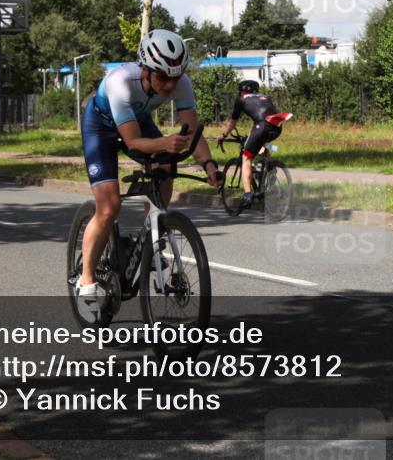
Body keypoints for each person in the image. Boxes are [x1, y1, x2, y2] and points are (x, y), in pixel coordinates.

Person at [76, 29, 222, 321]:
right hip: (101, 127)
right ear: (145, 68)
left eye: (175, 77)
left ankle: (152, 233)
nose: (169, 85)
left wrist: (208, 164)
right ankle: (87, 282)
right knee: (108, 207)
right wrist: (166, 142)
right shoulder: (120, 82)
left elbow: (191, 132)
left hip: (136, 119)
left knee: (166, 167)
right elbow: (132, 143)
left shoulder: (180, 83)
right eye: (162, 77)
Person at [217, 79, 291, 209]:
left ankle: (247, 195)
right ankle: (270, 168)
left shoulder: (241, 99)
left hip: (261, 126)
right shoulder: (265, 97)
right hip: (277, 126)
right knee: (261, 144)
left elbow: (233, 123)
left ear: (242, 91)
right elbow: (264, 114)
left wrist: (224, 136)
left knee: (246, 158)